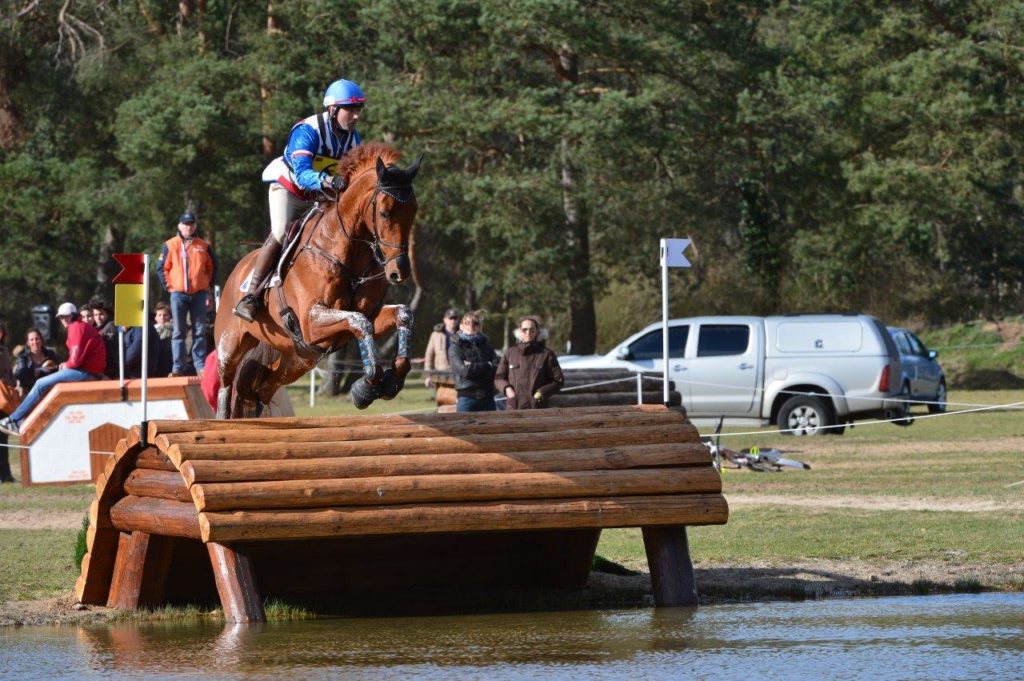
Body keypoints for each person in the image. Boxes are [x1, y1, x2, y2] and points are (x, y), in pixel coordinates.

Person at [234, 78, 365, 322]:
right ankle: (251, 295)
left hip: (319, 195)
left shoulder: (354, 139)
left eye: (358, 110)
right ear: (333, 109)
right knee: (282, 230)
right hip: (290, 188)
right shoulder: (308, 130)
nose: (356, 116)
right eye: (351, 109)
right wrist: (328, 181)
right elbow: (303, 173)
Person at [0, 303, 106, 436]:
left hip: (88, 373)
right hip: (90, 371)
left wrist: (65, 365)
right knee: (45, 385)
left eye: (66, 317)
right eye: (61, 318)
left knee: (40, 384)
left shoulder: (76, 327)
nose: (63, 320)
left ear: (73, 315)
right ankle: (23, 419)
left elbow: (75, 361)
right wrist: (65, 364)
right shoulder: (79, 326)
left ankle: (14, 420)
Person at [158, 212, 217, 377]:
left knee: (199, 330)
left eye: (191, 224)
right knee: (178, 332)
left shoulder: (203, 246)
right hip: (178, 294)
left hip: (199, 294)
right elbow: (162, 268)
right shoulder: (171, 245)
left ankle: (200, 367)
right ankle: (177, 368)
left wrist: (208, 289)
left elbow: (212, 268)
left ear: (195, 226)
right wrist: (169, 287)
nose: (188, 227)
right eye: (185, 224)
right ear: (179, 226)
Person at [494, 316, 564, 410]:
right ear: (519, 331)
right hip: (514, 407)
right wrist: (508, 390)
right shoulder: (510, 353)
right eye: (525, 330)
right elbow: (498, 378)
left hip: (537, 408)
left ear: (537, 332)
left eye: (532, 330)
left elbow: (558, 381)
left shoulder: (547, 354)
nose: (528, 333)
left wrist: (541, 393)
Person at [447, 311, 499, 412]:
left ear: (479, 327)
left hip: (488, 397)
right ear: (461, 326)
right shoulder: (456, 348)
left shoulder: (487, 347)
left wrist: (473, 367)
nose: (471, 326)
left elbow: (497, 368)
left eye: (475, 323)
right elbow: (465, 371)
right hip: (467, 398)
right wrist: (487, 365)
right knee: (464, 427)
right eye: (467, 323)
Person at [14, 327, 59, 395]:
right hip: (30, 393)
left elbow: (58, 371)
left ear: (41, 340)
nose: (35, 342)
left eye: (37, 339)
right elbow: (21, 375)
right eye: (31, 340)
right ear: (28, 343)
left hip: (50, 392)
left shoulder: (50, 354)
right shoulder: (23, 357)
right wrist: (33, 374)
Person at [423, 308, 459, 388]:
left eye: (455, 318)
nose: (453, 320)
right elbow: (429, 356)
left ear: (458, 320)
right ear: (445, 320)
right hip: (441, 374)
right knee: (442, 399)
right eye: (450, 318)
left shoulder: (463, 334)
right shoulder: (435, 335)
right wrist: (428, 376)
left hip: (459, 374)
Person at [0, 319, 17, 481]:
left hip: (5, 397)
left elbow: (9, 371)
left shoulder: (4, 349)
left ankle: (6, 474)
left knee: (3, 436)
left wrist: (12, 382)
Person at [89, 298, 119, 378]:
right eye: (95, 315)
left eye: (101, 314)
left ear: (107, 314)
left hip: (110, 374)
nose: (98, 318)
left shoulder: (111, 327)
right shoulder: (99, 328)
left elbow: (112, 354)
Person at [153, 301, 174, 377]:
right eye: (159, 315)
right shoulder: (152, 331)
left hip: (167, 365)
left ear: (169, 317)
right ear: (155, 317)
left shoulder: (173, 331)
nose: (162, 317)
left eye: (165, 315)